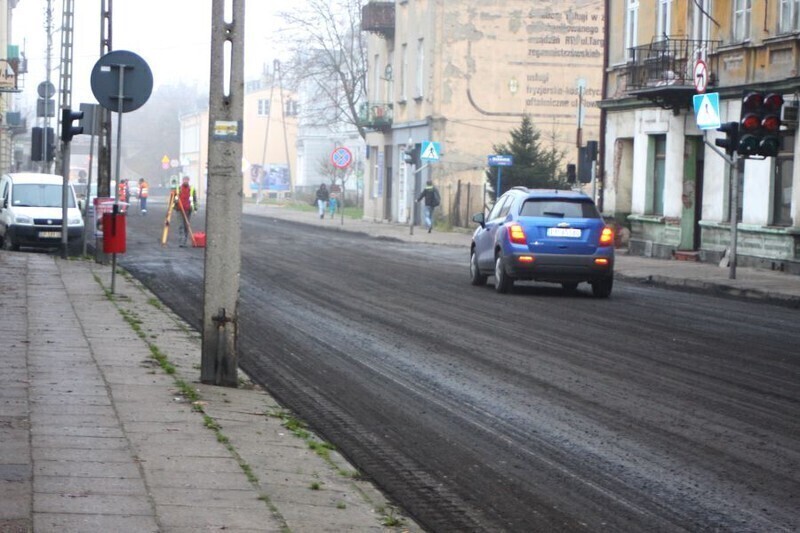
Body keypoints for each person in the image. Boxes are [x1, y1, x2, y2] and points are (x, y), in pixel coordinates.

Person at [175, 176, 197, 247]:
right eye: (184, 180)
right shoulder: (178, 189)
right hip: (179, 209)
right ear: (182, 181)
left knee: (186, 225)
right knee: (180, 225)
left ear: (188, 181)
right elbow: (174, 198)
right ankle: (181, 240)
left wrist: (195, 208)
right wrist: (175, 202)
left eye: (187, 180)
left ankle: (185, 240)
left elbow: (194, 199)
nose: (185, 181)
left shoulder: (192, 189)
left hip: (188, 210)